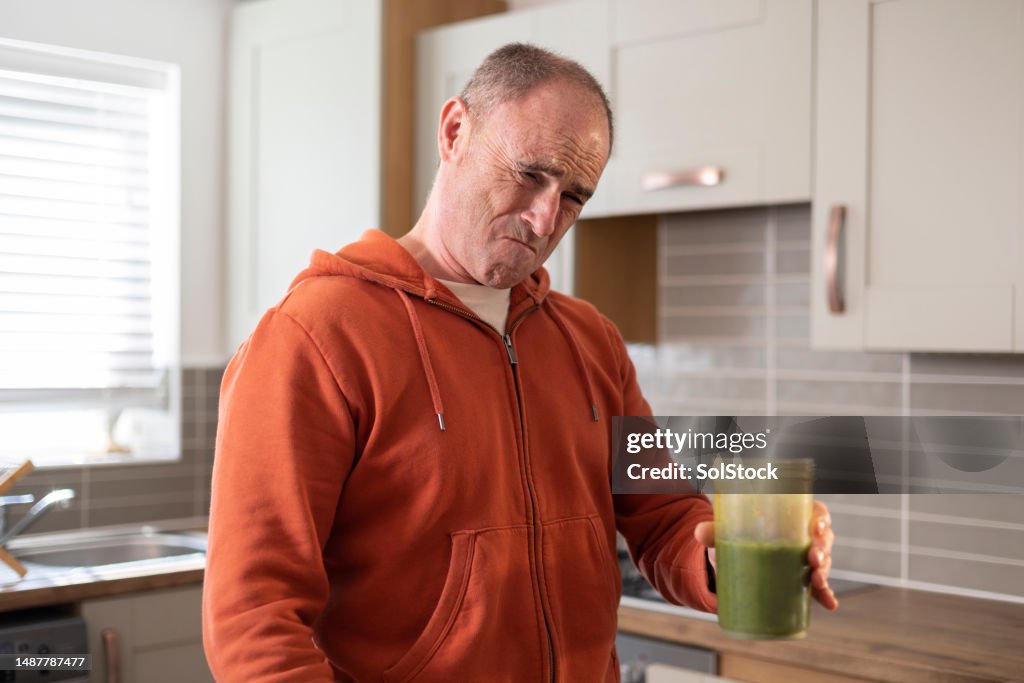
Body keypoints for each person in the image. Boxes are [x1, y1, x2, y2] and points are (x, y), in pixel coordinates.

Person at [202, 43, 837, 682]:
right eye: (530, 174)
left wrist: (726, 557)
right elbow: (253, 615)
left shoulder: (591, 341)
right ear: (455, 132)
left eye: (573, 197)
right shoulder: (313, 336)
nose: (544, 218)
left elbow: (664, 516)